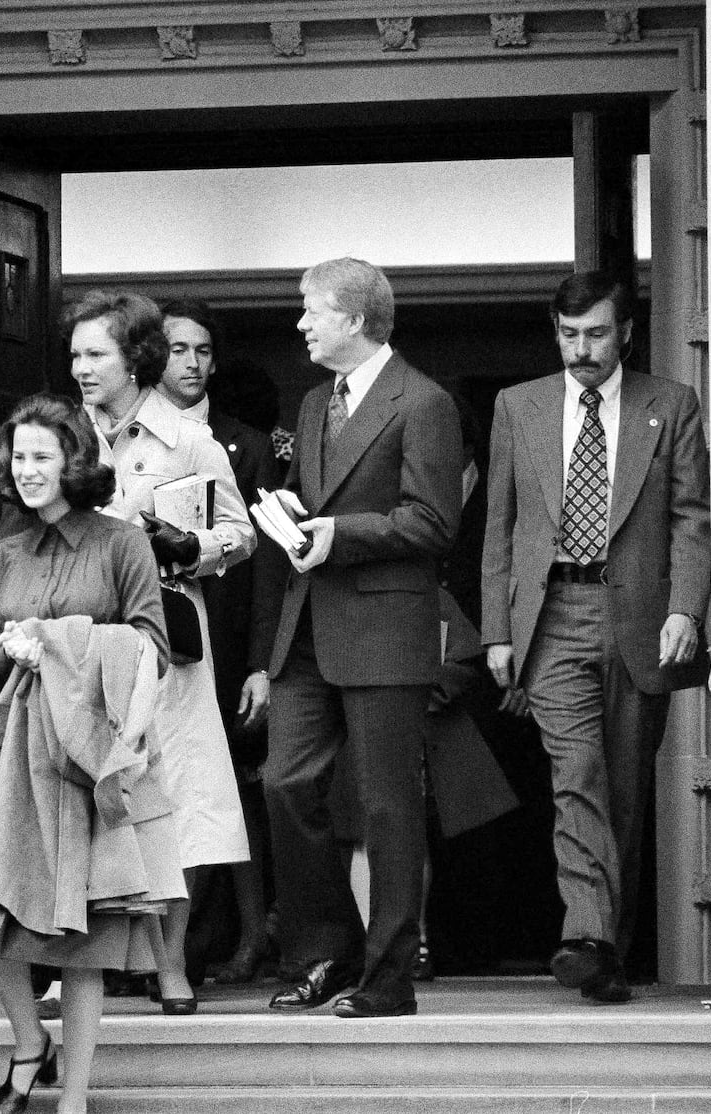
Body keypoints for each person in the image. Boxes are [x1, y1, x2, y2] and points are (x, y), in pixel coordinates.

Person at [481, 269, 711, 1004]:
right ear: (556, 333)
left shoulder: (669, 404)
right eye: (570, 334)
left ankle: (608, 949)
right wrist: (495, 629)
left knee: (622, 788)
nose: (582, 348)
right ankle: (586, 935)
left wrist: (687, 607)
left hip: (641, 618)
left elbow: (692, 517)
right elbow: (501, 525)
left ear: (627, 333)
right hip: (551, 620)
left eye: (597, 334)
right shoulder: (518, 406)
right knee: (575, 779)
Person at [0, 393, 184, 1114]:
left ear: (74, 462)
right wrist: (9, 651)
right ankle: (31, 1045)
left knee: (83, 935)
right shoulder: (4, 553)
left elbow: (155, 646)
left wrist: (61, 641)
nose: (26, 471)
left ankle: (76, 1097)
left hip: (86, 758)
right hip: (11, 754)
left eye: (41, 457)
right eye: (18, 458)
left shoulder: (121, 544)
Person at [261, 257, 462, 1019]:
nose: (302, 324)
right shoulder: (315, 402)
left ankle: (387, 978)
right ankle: (326, 949)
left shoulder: (424, 402)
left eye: (312, 311)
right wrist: (291, 511)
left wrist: (336, 531)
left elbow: (434, 520)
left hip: (383, 623)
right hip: (308, 621)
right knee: (284, 782)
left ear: (354, 318)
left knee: (386, 807)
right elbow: (323, 499)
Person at [69, 290, 253, 1014]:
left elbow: (240, 534)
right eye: (76, 354)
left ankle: (169, 962)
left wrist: (192, 546)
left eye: (95, 355)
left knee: (179, 804)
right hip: (82, 643)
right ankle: (78, 964)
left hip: (168, 642)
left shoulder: (189, 441)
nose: (81, 367)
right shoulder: (58, 434)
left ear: (134, 360)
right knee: (81, 802)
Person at [157, 298, 283, 984]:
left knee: (221, 797)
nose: (193, 363)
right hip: (150, 648)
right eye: (179, 349)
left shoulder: (246, 444)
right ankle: (154, 950)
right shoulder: (123, 438)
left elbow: (265, 565)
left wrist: (261, 664)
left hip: (225, 646)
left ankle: (216, 943)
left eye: (203, 350)